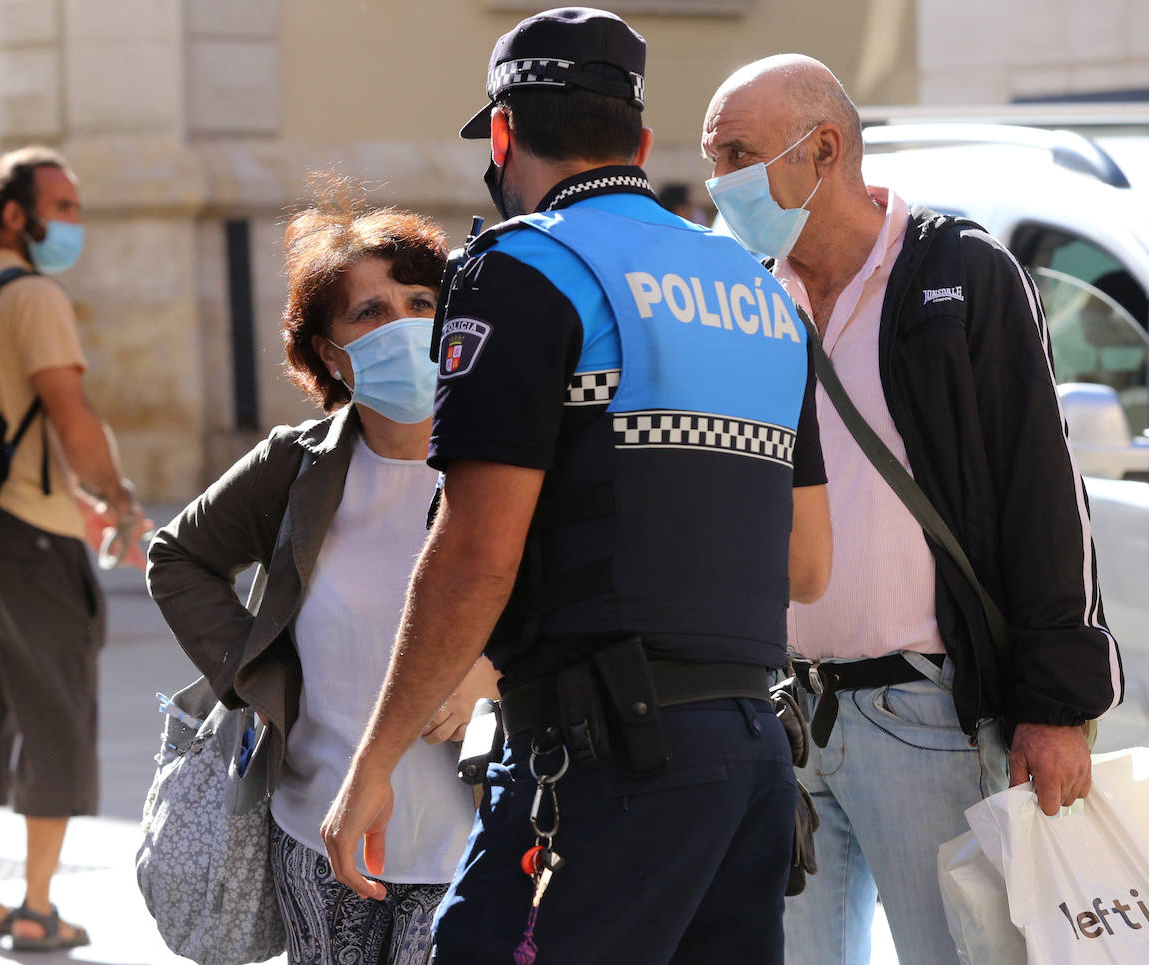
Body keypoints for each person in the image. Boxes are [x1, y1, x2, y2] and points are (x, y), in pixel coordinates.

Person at [321, 9, 831, 964]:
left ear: (504, 133)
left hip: (599, 766)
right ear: (638, 141)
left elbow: (475, 555)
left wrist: (375, 759)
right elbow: (807, 565)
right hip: (752, 762)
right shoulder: (761, 290)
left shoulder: (521, 269)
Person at [700, 55, 1124, 965]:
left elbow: (1041, 494)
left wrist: (1057, 706)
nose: (717, 181)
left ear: (823, 149)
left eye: (737, 152)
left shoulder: (961, 273)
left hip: (924, 716)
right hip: (786, 717)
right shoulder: (741, 294)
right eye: (711, 156)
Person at [146, 182, 499, 965]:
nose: (404, 324)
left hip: (471, 840)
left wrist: (499, 674)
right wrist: (260, 679)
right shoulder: (296, 465)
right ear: (329, 353)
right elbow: (177, 557)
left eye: (420, 300)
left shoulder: (505, 462)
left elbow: (592, 595)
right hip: (316, 830)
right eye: (370, 311)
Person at [0, 146, 146, 952]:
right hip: (31, 533)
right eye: (64, 206)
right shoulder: (34, 294)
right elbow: (68, 409)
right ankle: (38, 905)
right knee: (54, 705)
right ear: (16, 214)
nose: (74, 222)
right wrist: (116, 496)